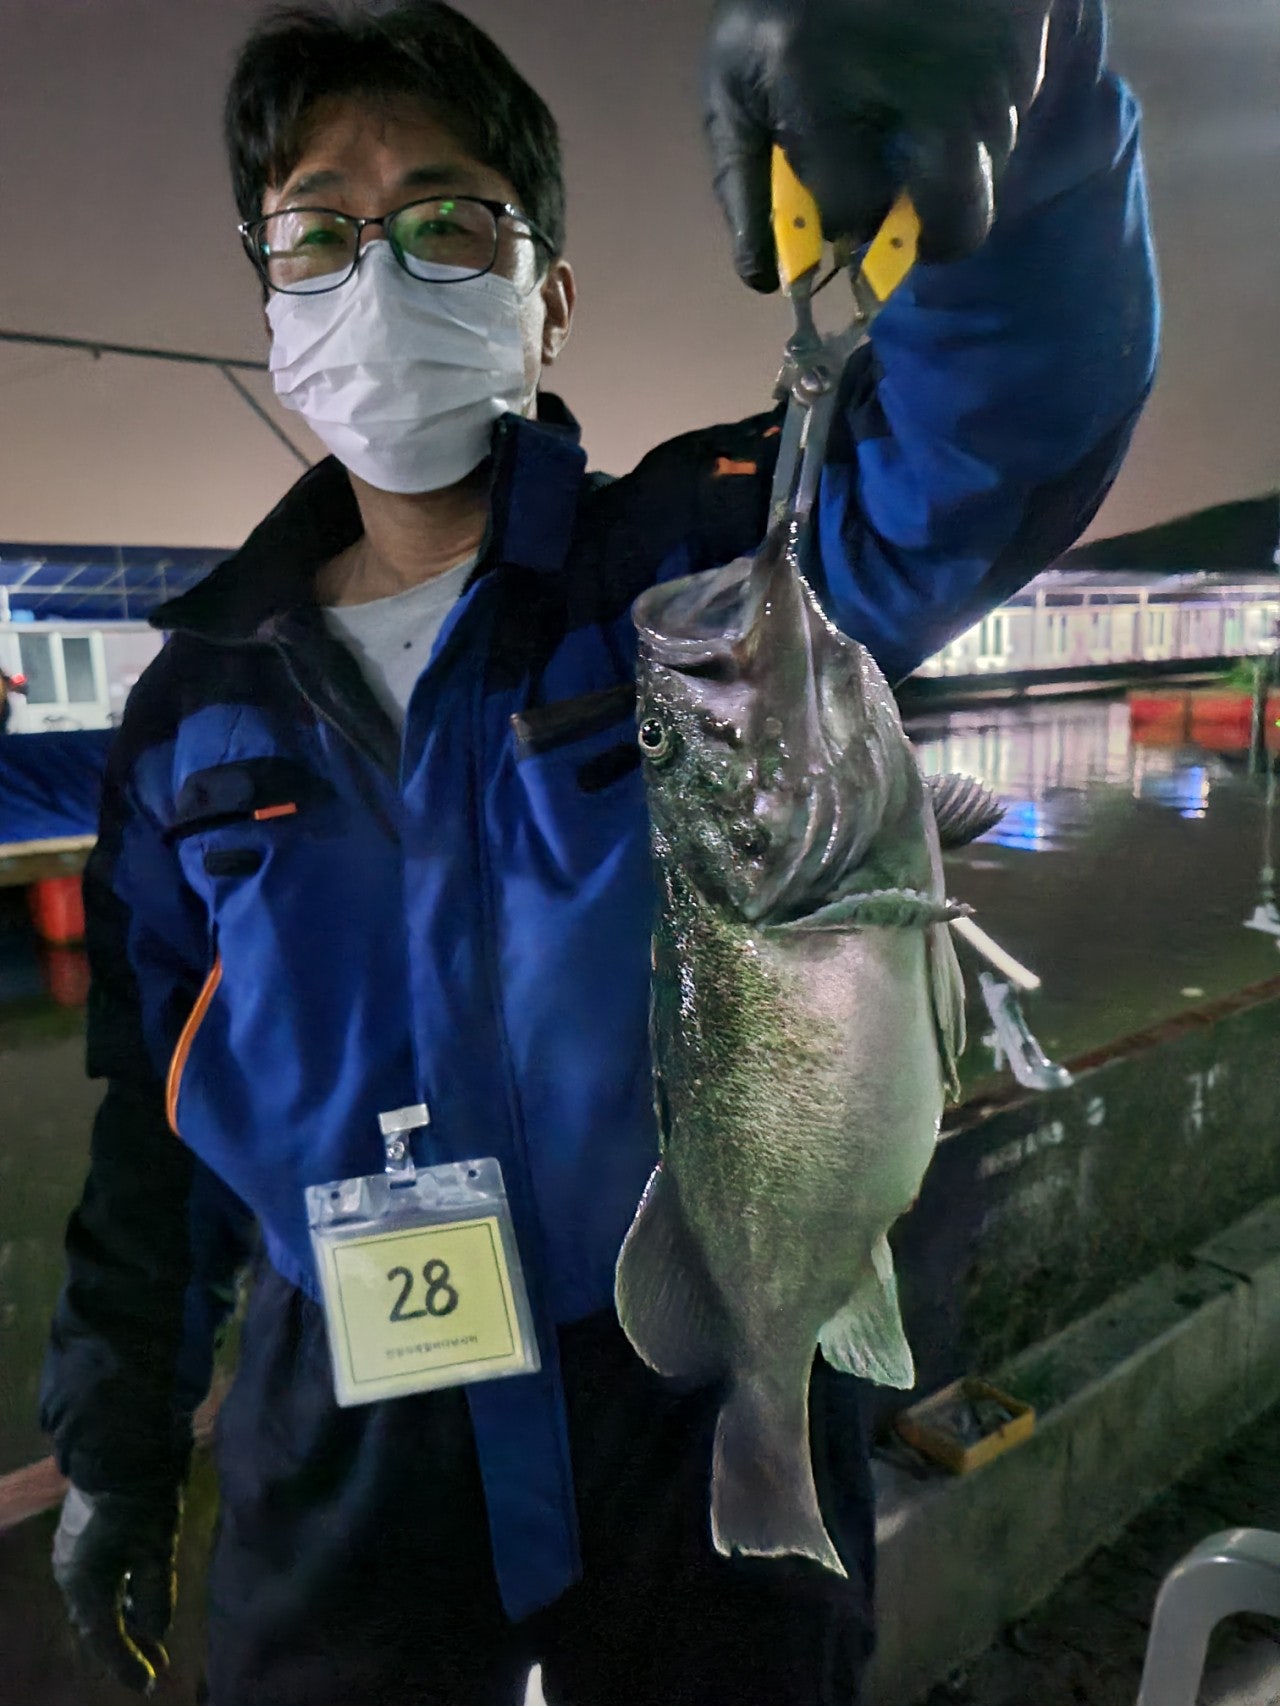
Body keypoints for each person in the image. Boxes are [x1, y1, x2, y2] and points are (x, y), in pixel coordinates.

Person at [39, 1, 1158, 1702]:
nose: (378, 269)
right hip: (348, 1431)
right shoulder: (191, 708)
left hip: (687, 1371)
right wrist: (118, 1436)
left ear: (545, 292)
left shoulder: (695, 565)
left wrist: (1045, 132)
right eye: (319, 231)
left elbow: (986, 446)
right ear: (271, 298)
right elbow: (152, 1124)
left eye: (445, 218)